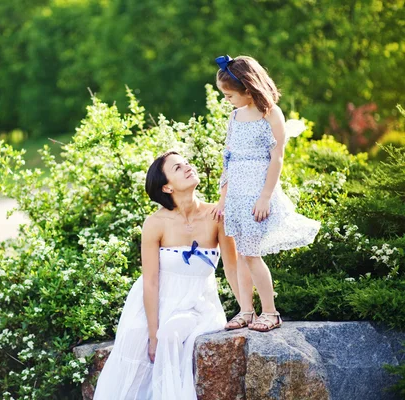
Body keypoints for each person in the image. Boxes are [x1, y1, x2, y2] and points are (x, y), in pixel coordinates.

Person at [94, 151, 237, 400]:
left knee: (170, 335)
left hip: (196, 305)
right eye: (177, 167)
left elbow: (234, 268)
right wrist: (151, 334)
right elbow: (150, 281)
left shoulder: (217, 215)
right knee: (135, 342)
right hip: (153, 304)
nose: (187, 167)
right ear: (167, 187)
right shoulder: (155, 223)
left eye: (187, 163)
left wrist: (248, 311)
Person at [211, 55, 320, 332]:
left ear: (248, 89)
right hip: (236, 193)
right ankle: (246, 311)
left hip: (257, 194)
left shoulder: (270, 113)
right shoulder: (235, 116)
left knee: (251, 253)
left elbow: (277, 158)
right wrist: (223, 198)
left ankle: (270, 312)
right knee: (241, 254)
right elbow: (228, 158)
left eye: (229, 95)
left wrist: (265, 196)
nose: (227, 100)